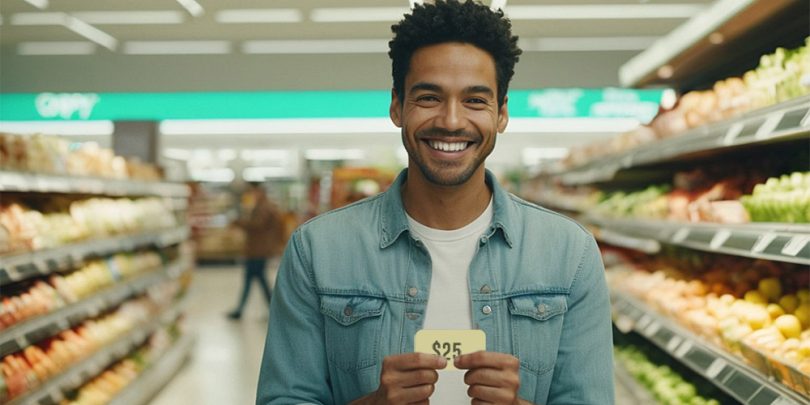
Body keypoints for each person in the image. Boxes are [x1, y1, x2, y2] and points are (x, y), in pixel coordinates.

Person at [256, 1, 614, 403]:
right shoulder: (318, 250)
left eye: (475, 100)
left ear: (502, 114)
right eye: (429, 97)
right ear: (396, 106)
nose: (452, 121)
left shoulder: (569, 253)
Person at [227, 182, 285, 320]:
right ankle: (271, 309)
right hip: (258, 249)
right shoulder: (265, 206)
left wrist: (239, 222)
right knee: (257, 279)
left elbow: (257, 225)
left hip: (258, 250)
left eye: (253, 192)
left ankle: (241, 310)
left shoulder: (263, 207)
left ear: (260, 192)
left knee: (253, 279)